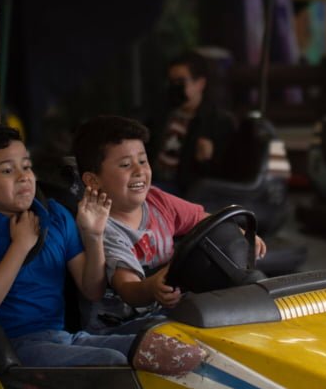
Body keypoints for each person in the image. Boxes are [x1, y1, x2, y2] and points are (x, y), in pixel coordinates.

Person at [0, 124, 133, 366]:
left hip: (63, 339)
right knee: (111, 361)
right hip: (11, 346)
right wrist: (20, 246)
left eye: (26, 166)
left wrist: (94, 235)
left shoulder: (55, 216)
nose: (24, 176)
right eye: (7, 170)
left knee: (154, 342)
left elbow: (92, 291)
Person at [73, 115, 266, 328]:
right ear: (93, 180)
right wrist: (151, 288)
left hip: (165, 312)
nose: (139, 171)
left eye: (143, 161)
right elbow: (128, 288)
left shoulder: (157, 201)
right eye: (125, 164)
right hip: (120, 325)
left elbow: (205, 221)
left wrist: (238, 235)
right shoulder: (105, 228)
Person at [152, 52, 235, 195]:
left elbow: (223, 176)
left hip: (183, 190)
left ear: (200, 84)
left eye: (180, 82)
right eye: (172, 82)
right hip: (153, 180)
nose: (174, 87)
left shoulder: (217, 122)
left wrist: (205, 160)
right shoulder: (163, 112)